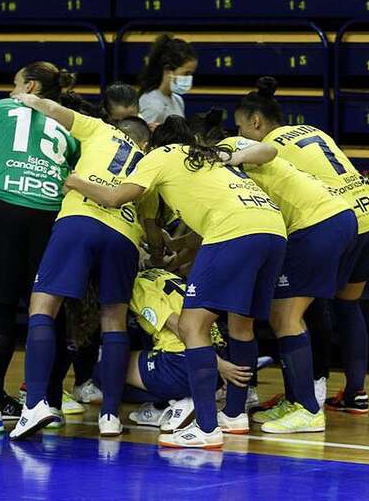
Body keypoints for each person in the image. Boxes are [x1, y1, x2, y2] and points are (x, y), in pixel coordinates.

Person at [64, 116, 287, 449]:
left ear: (156, 144)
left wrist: (75, 181)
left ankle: (206, 427)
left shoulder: (160, 155)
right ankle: (235, 416)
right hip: (273, 228)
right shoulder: (209, 156)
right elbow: (268, 152)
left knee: (192, 324)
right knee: (242, 325)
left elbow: (115, 197)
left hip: (233, 231)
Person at [235, 76, 369, 415]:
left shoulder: (265, 151)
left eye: (241, 127)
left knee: (303, 307)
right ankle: (355, 392)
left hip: (335, 220)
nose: (241, 135)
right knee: (348, 306)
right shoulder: (314, 131)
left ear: (255, 122)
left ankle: (308, 394)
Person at [7, 92, 155, 439]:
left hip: (80, 219)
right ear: (145, 142)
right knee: (114, 320)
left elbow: (54, 110)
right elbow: (153, 233)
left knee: (43, 306)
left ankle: (36, 405)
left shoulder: (100, 130)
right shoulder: (151, 164)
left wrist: (26, 96)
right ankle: (110, 417)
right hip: (124, 236)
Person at [0, 61, 81, 435]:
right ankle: (47, 403)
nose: (11, 90)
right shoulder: (72, 124)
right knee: (47, 312)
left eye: (15, 84)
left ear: (30, 87)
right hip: (50, 217)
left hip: (4, 209)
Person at [218, 135, 357, 433]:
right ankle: (297, 401)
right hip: (332, 219)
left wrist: (229, 156)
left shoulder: (226, 148)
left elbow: (269, 149)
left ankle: (308, 409)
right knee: (284, 314)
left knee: (286, 317)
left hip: (318, 223)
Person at [124, 268, 251, 429]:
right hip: (214, 356)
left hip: (184, 362)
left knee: (106, 370)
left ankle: (181, 399)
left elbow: (180, 327)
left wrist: (216, 363)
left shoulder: (138, 286)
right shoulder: (163, 274)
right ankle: (162, 405)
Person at [138, 34, 197, 126]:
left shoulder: (178, 100)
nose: (189, 78)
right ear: (168, 70)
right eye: (186, 73)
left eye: (191, 74)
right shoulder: (151, 104)